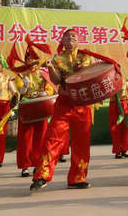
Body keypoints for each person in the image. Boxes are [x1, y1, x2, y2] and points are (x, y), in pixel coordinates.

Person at [30, 29, 94, 191]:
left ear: (78, 41)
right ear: (62, 41)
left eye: (73, 36)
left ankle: (77, 178)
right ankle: (42, 175)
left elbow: (91, 75)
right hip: (64, 102)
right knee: (53, 138)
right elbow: (56, 80)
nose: (70, 38)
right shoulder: (57, 58)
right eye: (67, 36)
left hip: (82, 102)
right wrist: (51, 68)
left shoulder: (86, 56)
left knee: (82, 142)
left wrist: (82, 69)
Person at [14, 51, 55, 177]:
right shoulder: (21, 75)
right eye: (29, 59)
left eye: (34, 59)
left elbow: (50, 88)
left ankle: (38, 164)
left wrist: (46, 93)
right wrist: (24, 87)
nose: (31, 62)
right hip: (27, 108)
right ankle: (25, 166)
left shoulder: (43, 73)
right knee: (25, 138)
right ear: (25, 60)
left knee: (41, 137)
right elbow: (19, 92)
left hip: (41, 107)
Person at [109, 79, 128, 159]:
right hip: (114, 104)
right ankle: (117, 151)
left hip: (124, 103)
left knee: (126, 128)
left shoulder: (126, 81)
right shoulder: (109, 80)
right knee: (116, 128)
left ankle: (124, 150)